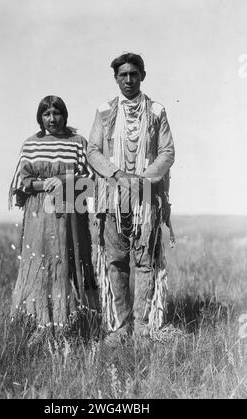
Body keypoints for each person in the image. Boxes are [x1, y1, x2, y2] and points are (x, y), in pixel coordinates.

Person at [87, 53, 175, 342]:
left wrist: (143, 180)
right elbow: (93, 150)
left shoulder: (157, 111)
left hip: (146, 198)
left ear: (142, 76)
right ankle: (122, 326)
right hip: (113, 197)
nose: (128, 79)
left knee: (146, 261)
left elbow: (167, 152)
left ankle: (142, 326)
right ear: (115, 78)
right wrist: (116, 175)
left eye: (133, 74)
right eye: (122, 75)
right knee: (116, 261)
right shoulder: (104, 111)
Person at [9, 95, 99, 341]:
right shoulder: (31, 144)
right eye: (46, 114)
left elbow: (90, 175)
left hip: (71, 212)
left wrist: (62, 180)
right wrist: (42, 185)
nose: (52, 119)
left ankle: (77, 321)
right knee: (41, 263)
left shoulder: (78, 143)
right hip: (39, 215)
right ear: (40, 117)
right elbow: (21, 182)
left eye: (56, 113)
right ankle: (39, 321)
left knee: (72, 260)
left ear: (64, 115)